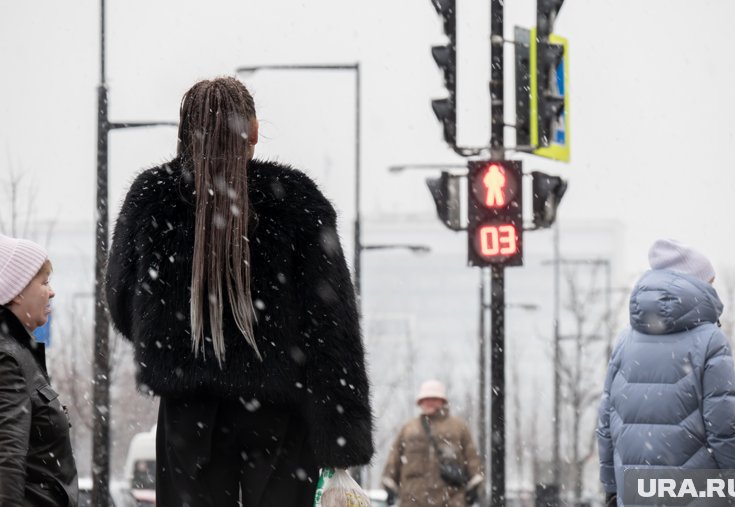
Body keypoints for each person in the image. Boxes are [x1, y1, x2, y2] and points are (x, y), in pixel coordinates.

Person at [105, 76, 373, 506]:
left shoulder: (153, 198)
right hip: (281, 413)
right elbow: (333, 332)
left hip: (189, 414)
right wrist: (342, 442)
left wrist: (178, 340)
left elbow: (121, 304)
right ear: (253, 131)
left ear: (184, 130)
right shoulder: (297, 201)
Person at [597, 239, 735, 507]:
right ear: (698, 285)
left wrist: (612, 489)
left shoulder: (625, 342)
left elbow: (606, 425)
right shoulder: (711, 341)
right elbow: (724, 428)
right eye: (711, 282)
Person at [0, 235, 78, 505]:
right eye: (44, 282)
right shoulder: (7, 359)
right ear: (17, 291)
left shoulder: (18, 352)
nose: (52, 291)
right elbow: (7, 460)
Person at [382, 380, 483, 507]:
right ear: (420, 402)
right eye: (426, 399)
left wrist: (474, 486)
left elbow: (472, 457)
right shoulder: (408, 429)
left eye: (434, 398)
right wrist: (389, 485)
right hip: (413, 500)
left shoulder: (459, 427)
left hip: (451, 500)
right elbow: (394, 457)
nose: (429, 402)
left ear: (442, 401)